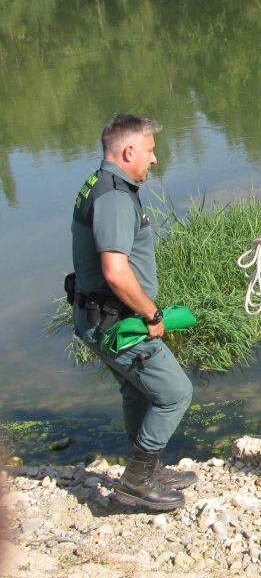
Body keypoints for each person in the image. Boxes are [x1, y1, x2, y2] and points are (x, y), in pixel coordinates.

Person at [70, 114, 195, 511]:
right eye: (150, 150)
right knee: (175, 393)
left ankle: (148, 469)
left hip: (98, 315)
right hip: (116, 322)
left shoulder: (100, 183)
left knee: (137, 390)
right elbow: (115, 271)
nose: (154, 160)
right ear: (128, 151)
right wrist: (152, 315)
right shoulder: (114, 196)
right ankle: (138, 480)